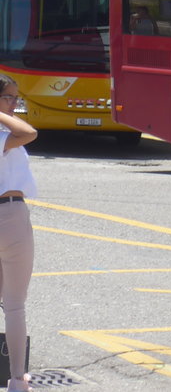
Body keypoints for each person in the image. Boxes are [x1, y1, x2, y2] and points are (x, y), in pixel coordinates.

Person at [0, 76, 36, 391]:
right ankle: (15, 379)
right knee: (14, 303)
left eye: (15, 97)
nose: (14, 104)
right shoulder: (4, 133)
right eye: (9, 98)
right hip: (9, 213)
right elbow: (29, 133)